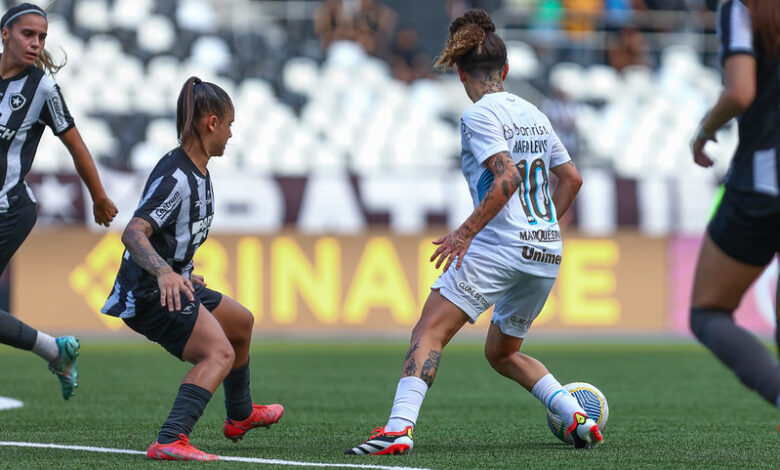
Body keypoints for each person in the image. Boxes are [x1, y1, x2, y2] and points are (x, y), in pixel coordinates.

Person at [346, 9, 600, 455]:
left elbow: (506, 178)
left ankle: (398, 429)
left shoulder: (480, 115)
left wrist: (464, 233)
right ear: (505, 70)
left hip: (499, 247)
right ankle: (574, 415)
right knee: (502, 353)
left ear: (462, 73)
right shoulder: (536, 114)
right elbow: (573, 179)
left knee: (429, 331)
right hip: (545, 252)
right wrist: (541, 229)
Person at [101, 77, 283, 461]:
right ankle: (170, 439)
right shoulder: (178, 178)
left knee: (240, 323)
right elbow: (134, 233)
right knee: (218, 354)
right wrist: (165, 273)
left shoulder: (197, 168)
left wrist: (179, 268)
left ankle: (240, 415)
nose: (232, 135)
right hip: (151, 291)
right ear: (211, 123)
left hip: (173, 280)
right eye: (230, 125)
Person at [0, 3, 118, 400]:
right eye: (28, 35)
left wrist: (99, 197)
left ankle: (55, 350)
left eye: (42, 37)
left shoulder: (42, 89)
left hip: (9, 211)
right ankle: (56, 350)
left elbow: (77, 146)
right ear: (5, 35)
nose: (36, 43)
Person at [689, 0, 780, 415]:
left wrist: (704, 131)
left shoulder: (743, 8)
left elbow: (741, 91)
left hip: (763, 185)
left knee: (709, 312)